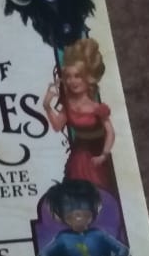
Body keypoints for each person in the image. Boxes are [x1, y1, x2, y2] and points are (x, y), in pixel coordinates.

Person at [25, 179, 129, 256]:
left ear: (94, 211)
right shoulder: (64, 238)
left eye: (84, 212)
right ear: (62, 216)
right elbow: (44, 255)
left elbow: (123, 250)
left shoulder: (98, 235)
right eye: (70, 213)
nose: (78, 216)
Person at [43, 38, 116, 192]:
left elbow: (110, 132)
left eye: (77, 76)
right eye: (68, 76)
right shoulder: (68, 105)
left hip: (97, 156)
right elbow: (57, 126)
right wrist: (47, 106)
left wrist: (104, 155)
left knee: (100, 191)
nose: (72, 81)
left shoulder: (97, 108)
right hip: (79, 156)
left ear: (87, 78)